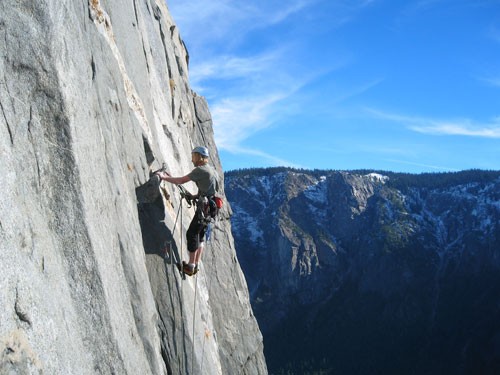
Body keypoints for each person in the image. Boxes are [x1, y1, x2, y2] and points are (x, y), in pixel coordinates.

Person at [156, 146, 219, 276]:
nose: (193, 159)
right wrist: (195, 197)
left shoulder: (201, 170)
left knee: (192, 234)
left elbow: (181, 181)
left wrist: (163, 177)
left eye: (195, 156)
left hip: (204, 207)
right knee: (200, 235)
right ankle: (195, 264)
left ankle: (190, 266)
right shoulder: (213, 170)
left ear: (201, 157)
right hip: (211, 207)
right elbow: (210, 190)